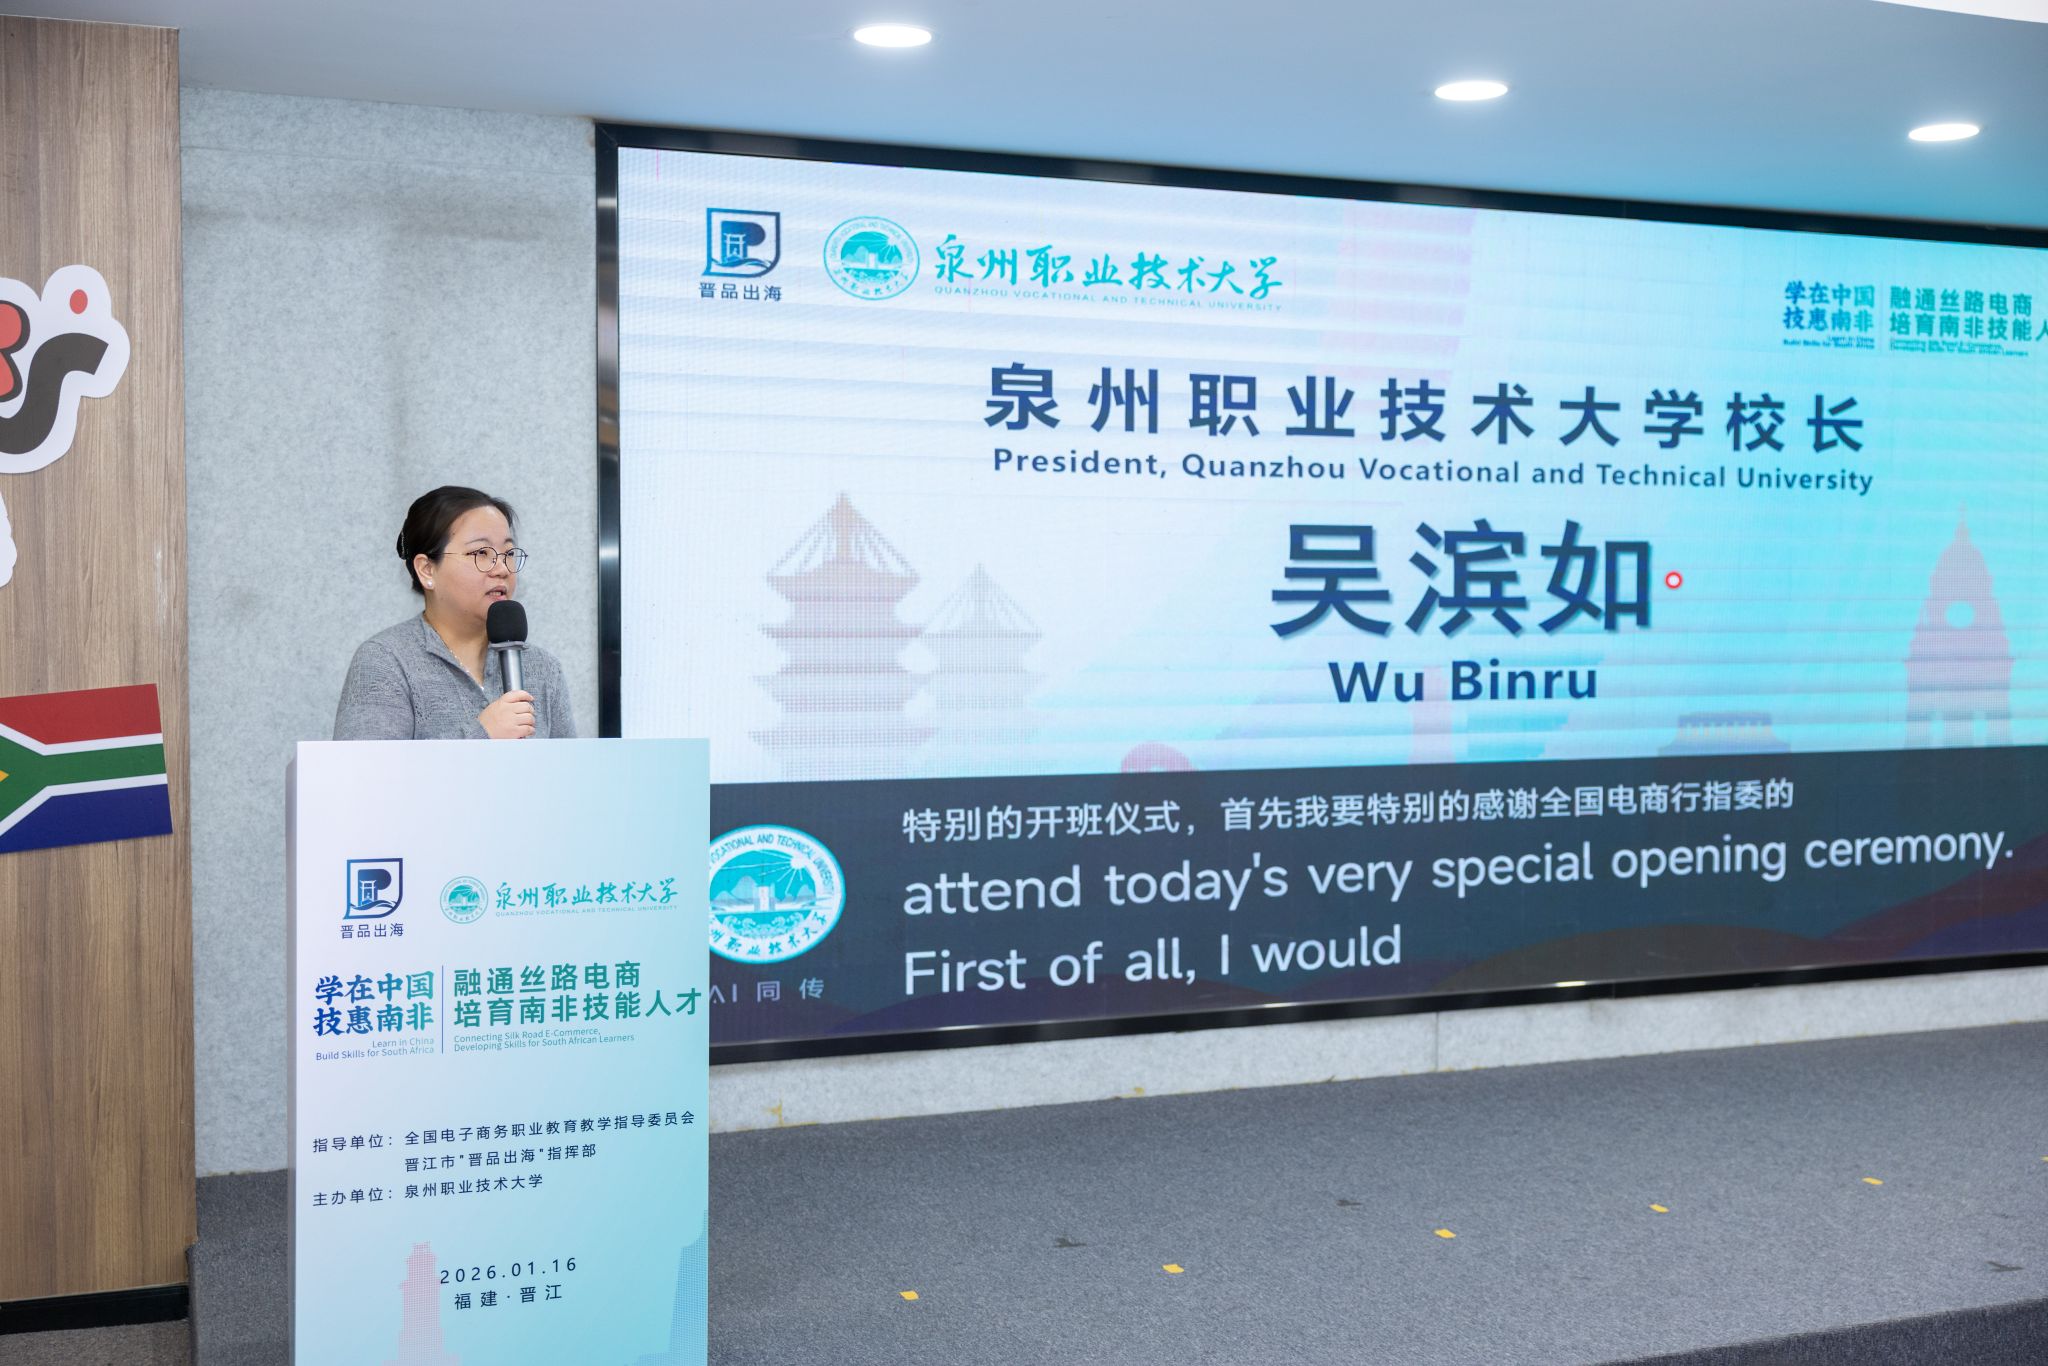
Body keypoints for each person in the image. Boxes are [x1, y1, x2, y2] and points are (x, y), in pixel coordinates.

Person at [333, 486, 575, 740]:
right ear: (427, 569)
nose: (502, 568)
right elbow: (366, 766)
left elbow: (571, 765)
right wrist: (483, 736)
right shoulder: (386, 661)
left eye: (508, 553)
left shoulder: (543, 668)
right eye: (481, 553)